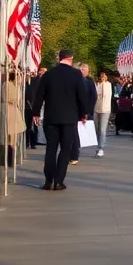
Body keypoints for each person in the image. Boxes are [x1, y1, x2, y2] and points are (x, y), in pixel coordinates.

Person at [30, 50, 89, 190]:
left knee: (51, 148)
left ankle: (48, 180)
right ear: (71, 58)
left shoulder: (49, 74)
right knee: (65, 149)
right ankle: (59, 180)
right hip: (69, 117)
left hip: (51, 117)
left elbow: (39, 95)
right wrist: (84, 113)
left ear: (59, 58)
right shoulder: (76, 75)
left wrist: (36, 113)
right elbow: (82, 95)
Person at [93, 70, 112, 157]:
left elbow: (105, 95)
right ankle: (98, 145)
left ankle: (101, 148)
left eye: (104, 76)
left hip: (105, 109)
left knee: (102, 129)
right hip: (96, 108)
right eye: (101, 76)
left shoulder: (108, 85)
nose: (103, 78)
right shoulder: (96, 84)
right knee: (96, 129)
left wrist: (103, 83)